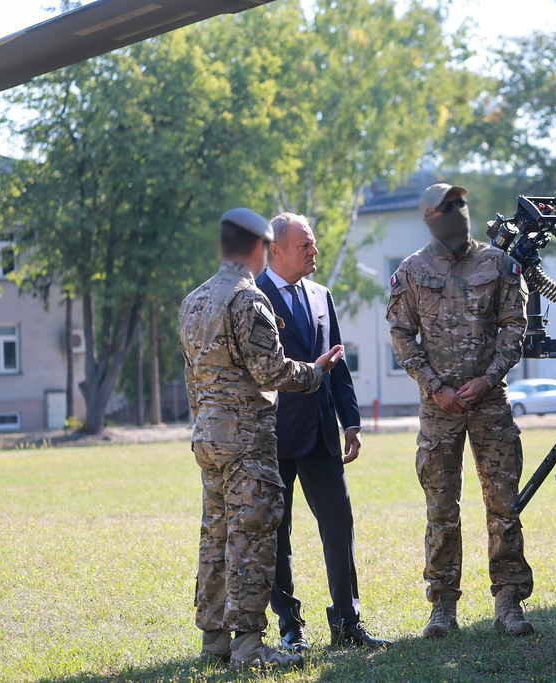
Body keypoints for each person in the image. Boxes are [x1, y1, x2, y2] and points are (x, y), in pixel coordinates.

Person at [179, 207, 344, 671]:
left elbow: (194, 378)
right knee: (251, 539)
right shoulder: (248, 301)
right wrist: (315, 371)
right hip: (247, 442)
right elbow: (270, 371)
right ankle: (249, 648)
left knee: (215, 538)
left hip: (208, 438)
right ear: (259, 248)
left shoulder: (192, 301)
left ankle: (214, 641)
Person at [386, 183, 536, 638]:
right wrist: (434, 387)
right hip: (439, 409)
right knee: (441, 508)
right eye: (447, 207)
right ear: (430, 216)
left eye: (461, 204)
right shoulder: (411, 271)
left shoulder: (498, 264)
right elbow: (401, 334)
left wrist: (488, 378)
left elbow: (516, 326)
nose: (458, 211)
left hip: (490, 403)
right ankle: (443, 607)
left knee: (504, 504)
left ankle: (509, 602)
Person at [255, 212, 390, 650]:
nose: (314, 252)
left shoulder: (320, 295)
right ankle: (290, 627)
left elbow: (337, 363)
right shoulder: (251, 297)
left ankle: (347, 623)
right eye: (304, 246)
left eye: (313, 244)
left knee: (339, 525)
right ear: (275, 250)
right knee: (279, 533)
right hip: (271, 437)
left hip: (321, 435)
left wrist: (350, 422)